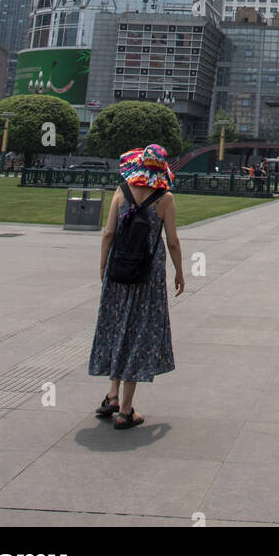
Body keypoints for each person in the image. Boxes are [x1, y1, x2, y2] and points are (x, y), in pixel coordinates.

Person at [89, 144, 185, 429]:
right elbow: (172, 241)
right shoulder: (165, 198)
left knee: (118, 326)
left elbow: (108, 233)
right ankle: (127, 410)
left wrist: (104, 266)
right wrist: (180, 272)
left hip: (118, 272)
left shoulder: (122, 191)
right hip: (148, 276)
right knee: (138, 331)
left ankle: (112, 395)